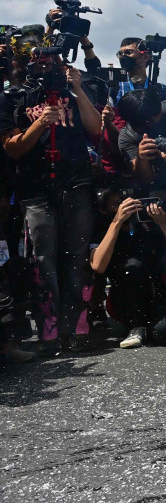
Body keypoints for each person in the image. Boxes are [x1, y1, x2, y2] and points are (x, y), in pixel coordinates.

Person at [0, 38, 101, 352]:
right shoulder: (12, 98)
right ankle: (50, 330)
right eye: (38, 59)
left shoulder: (74, 92)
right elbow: (13, 148)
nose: (45, 64)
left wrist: (78, 88)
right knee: (43, 260)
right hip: (36, 189)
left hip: (77, 184)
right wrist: (40, 123)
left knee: (76, 256)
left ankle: (78, 327)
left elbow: (96, 128)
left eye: (51, 60)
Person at [89, 192, 166, 348]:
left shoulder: (150, 224)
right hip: (125, 300)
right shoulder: (105, 227)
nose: (126, 207)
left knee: (164, 333)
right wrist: (118, 221)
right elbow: (98, 266)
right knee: (133, 266)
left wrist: (164, 224)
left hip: (158, 294)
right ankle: (136, 326)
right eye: (118, 204)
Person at [111, 37, 166, 103]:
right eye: (120, 54)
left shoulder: (162, 90)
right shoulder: (115, 87)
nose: (123, 56)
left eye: (128, 52)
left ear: (146, 57)